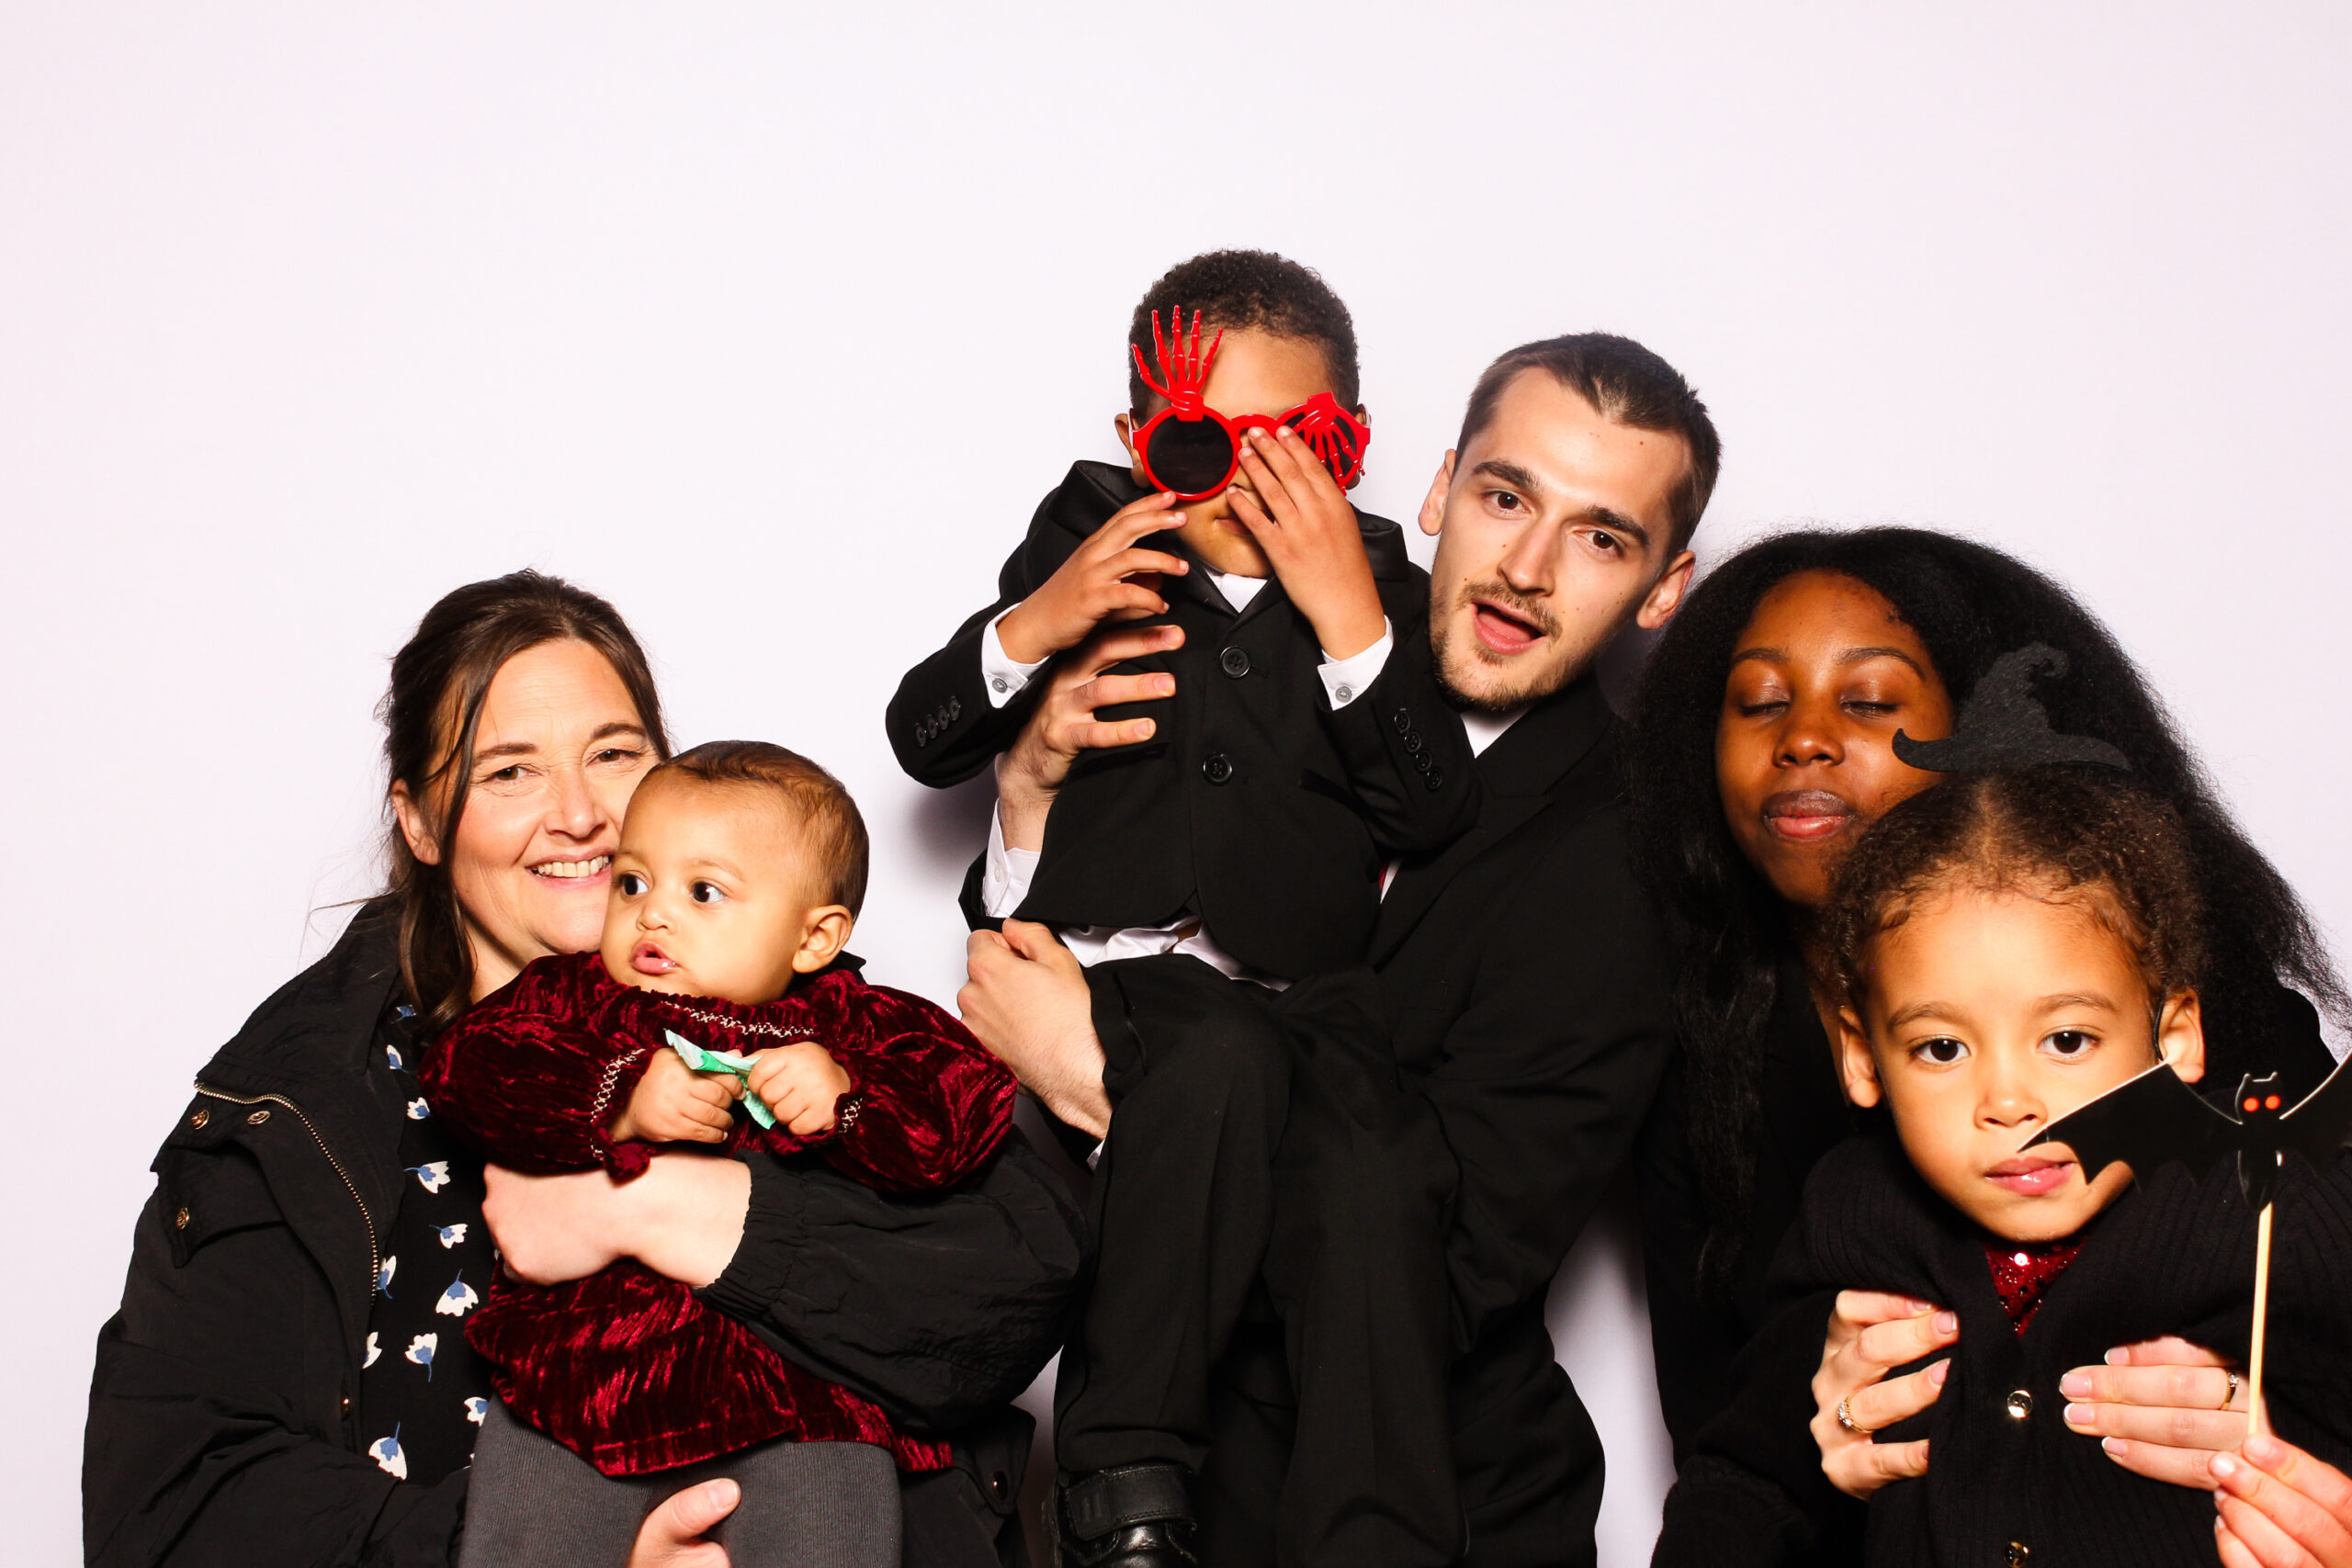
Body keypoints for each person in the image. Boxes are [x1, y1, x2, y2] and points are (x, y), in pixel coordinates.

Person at [84, 571, 1083, 1568]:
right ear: (420, 822)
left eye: (612, 754)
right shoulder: (304, 1101)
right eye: (508, 771)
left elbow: (1013, 1297)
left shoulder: (824, 1028)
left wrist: (660, 1209)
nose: (578, 816)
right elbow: (173, 1503)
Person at [960, 332, 1716, 1566]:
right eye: (1506, 497)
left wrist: (1111, 1095)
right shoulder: (1272, 662)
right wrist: (1026, 803)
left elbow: (1450, 1267)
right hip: (1182, 1496)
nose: (1526, 569)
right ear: (1439, 490)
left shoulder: (1629, 860)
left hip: (1444, 1517)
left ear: (1662, 588)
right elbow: (1081, 959)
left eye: (1599, 537)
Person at [887, 249, 1479, 1561]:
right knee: (1209, 1056)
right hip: (1123, 978)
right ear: (1138, 436)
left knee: (1382, 1174)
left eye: (1297, 451)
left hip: (1314, 999)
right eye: (1206, 444)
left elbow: (1434, 809)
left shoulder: (1384, 585)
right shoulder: (1087, 535)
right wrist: (1035, 625)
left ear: (1353, 444)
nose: (1249, 487)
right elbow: (921, 736)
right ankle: (1123, 1485)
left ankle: (1381, 1533)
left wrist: (1350, 619)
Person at [1623, 529, 2346, 1549]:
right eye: (1760, 702)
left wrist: (2298, 1459)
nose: (1806, 739)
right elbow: (1731, 1457)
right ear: (1863, 1055)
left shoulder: (2262, 1154)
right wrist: (1814, 1429)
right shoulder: (1748, 1098)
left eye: (1870, 701)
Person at [422, 741, 1017, 1567]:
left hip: (803, 1397)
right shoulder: (576, 998)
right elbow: (466, 1067)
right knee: (522, 1540)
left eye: (703, 891)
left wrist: (849, 1099)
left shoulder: (852, 1023)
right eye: (633, 882)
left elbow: (971, 1104)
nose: (653, 914)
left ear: (814, 937)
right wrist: (620, 1098)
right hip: (583, 1382)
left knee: (835, 1538)